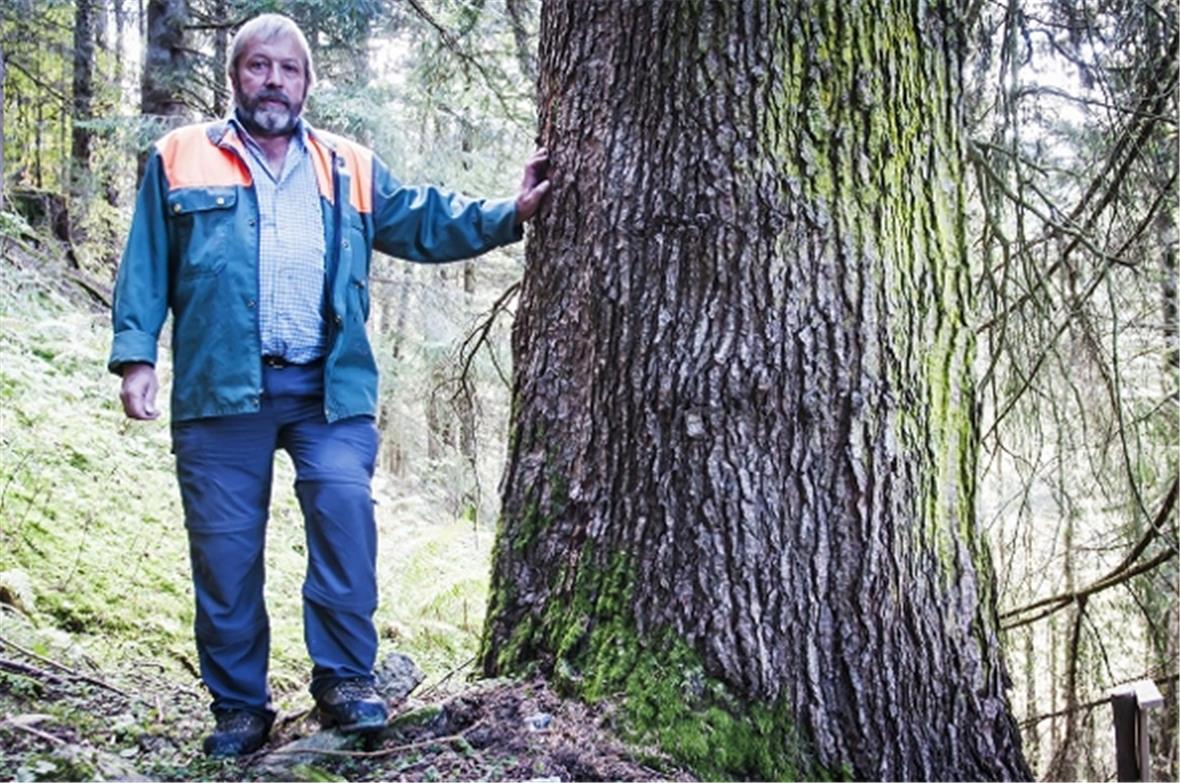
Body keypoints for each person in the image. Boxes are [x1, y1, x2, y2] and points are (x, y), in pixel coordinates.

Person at [108, 13, 550, 757]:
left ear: (308, 83)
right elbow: (145, 262)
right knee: (224, 552)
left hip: (329, 392)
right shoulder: (180, 156)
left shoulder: (348, 166)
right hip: (222, 394)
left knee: (345, 520)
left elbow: (423, 222)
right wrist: (136, 356)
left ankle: (345, 679)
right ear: (235, 75)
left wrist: (511, 215)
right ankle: (240, 708)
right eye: (258, 66)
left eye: (288, 68)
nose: (273, 80)